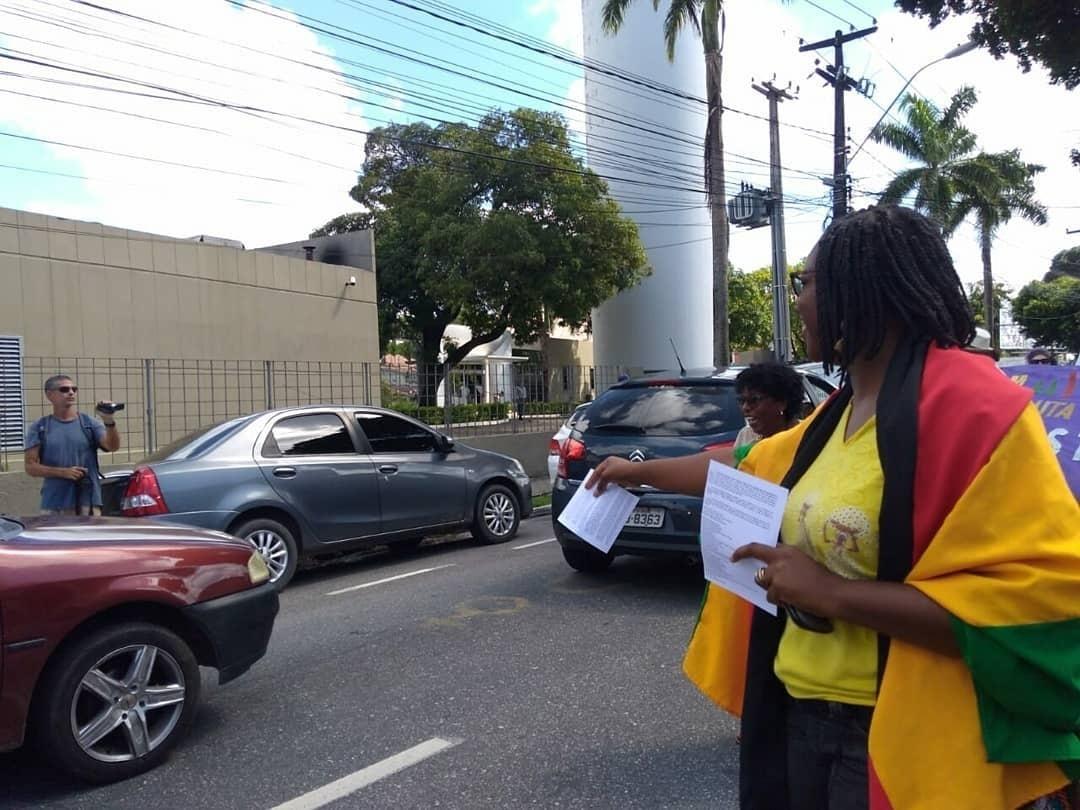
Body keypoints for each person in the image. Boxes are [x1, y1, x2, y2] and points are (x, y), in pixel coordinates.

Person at [587, 205, 1080, 810]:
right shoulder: (837, 413)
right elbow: (750, 466)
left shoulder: (978, 407)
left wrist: (833, 594)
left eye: (808, 282)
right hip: (799, 712)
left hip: (893, 730)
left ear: (861, 285)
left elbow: (1040, 601)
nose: (797, 300)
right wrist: (632, 472)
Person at [24, 374, 122, 516]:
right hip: (54, 503)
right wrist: (63, 473)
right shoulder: (40, 427)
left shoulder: (89, 423)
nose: (71, 392)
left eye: (74, 389)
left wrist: (109, 421)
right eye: (64, 389)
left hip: (88, 503)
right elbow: (30, 467)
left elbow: (112, 446)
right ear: (49, 395)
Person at [731, 363, 805, 467]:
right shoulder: (746, 435)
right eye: (742, 401)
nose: (745, 408)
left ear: (782, 402)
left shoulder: (807, 437)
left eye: (754, 400)